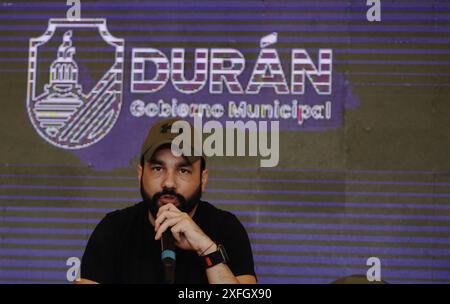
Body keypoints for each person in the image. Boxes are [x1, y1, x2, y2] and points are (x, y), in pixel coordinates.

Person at [77, 118, 257, 284]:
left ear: (203, 179)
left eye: (183, 170)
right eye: (157, 168)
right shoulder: (113, 229)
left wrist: (207, 250)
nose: (169, 183)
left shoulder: (226, 228)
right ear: (140, 173)